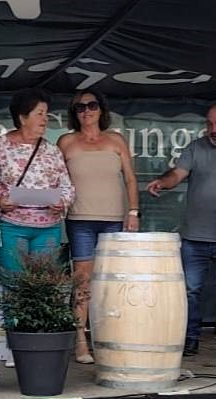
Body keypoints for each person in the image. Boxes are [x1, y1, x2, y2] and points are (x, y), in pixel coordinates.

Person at [147, 103, 216, 361]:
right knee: (191, 290)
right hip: (194, 236)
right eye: (209, 123)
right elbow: (177, 174)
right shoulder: (195, 148)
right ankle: (190, 338)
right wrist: (162, 182)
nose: (214, 129)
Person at [58, 89, 140, 365]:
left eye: (92, 105)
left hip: (113, 218)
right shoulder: (66, 141)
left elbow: (130, 178)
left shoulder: (116, 140)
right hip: (79, 218)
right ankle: (81, 340)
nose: (86, 111)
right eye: (80, 107)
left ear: (101, 109)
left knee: (111, 280)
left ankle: (109, 336)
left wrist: (133, 211)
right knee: (82, 280)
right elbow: (55, 178)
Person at [0, 88, 75, 275]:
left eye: (46, 114)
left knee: (43, 282)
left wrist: (62, 201)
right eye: (39, 113)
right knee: (14, 280)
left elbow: (67, 187)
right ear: (23, 118)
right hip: (12, 226)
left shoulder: (53, 150)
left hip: (49, 228)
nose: (45, 119)